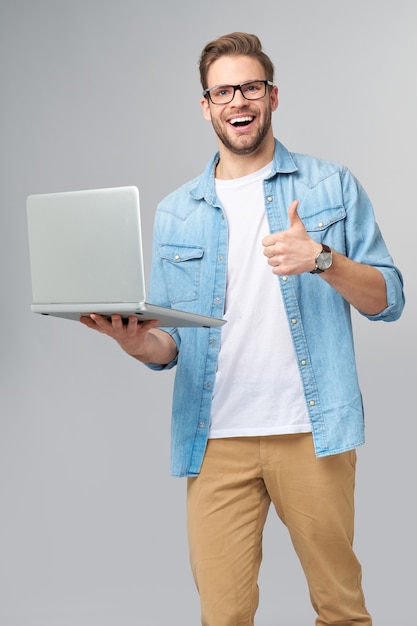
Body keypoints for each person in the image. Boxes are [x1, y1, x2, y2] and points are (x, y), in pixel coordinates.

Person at [81, 32, 405, 626]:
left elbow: (390, 300)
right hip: (216, 439)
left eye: (250, 86)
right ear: (205, 105)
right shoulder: (178, 210)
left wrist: (323, 260)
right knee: (222, 616)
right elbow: (170, 343)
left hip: (313, 432)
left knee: (341, 609)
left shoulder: (328, 186)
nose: (239, 100)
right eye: (224, 90)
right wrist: (134, 342)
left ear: (272, 96)